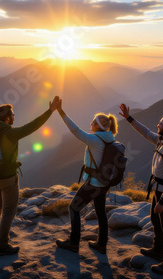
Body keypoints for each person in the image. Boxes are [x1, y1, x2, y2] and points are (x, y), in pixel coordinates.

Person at [119, 103, 163, 275]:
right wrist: (129, 118)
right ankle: (157, 250)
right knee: (156, 220)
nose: (157, 125)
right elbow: (145, 132)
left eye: (161, 124)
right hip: (159, 189)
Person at [0, 96, 60, 255]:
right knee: (8, 210)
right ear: (7, 118)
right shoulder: (11, 133)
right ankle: (2, 245)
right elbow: (33, 125)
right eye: (13, 115)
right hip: (8, 177)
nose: (14, 117)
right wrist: (50, 111)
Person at [55, 98, 118, 254]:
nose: (90, 124)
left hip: (93, 183)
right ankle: (102, 244)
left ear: (98, 126)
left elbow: (75, 130)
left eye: (93, 122)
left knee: (73, 208)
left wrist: (61, 112)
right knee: (101, 213)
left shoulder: (95, 140)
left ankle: (74, 242)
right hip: (103, 184)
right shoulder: (109, 138)